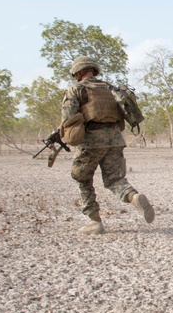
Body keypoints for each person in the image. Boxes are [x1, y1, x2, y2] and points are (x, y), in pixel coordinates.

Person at [61, 56, 155, 234]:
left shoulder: (76, 90)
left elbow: (68, 119)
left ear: (79, 72)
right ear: (93, 70)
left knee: (82, 177)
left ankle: (94, 221)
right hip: (115, 140)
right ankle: (134, 197)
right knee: (115, 179)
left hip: (91, 142)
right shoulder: (111, 89)